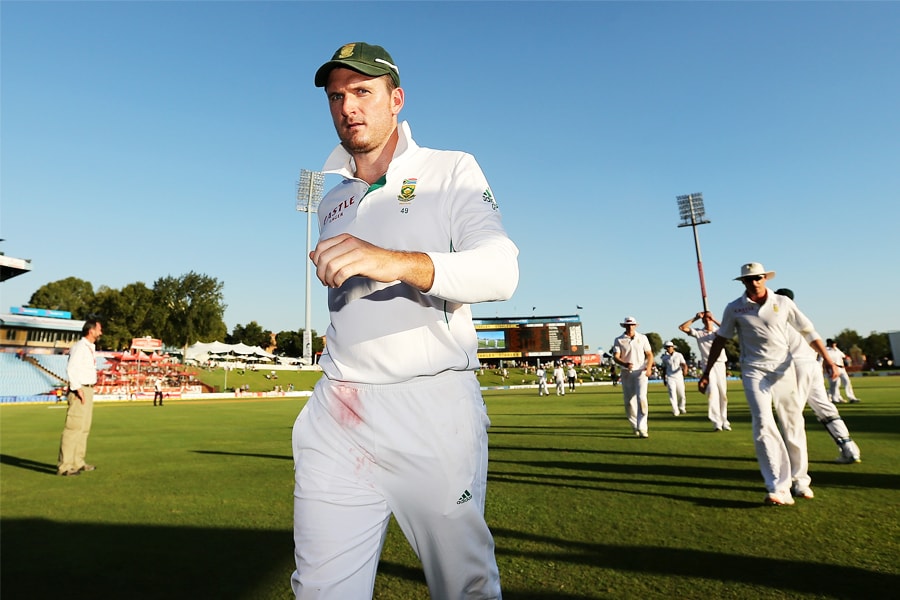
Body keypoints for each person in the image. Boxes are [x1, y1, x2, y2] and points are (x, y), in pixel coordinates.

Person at [290, 42, 518, 600]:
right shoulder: (330, 197)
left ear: (396, 99)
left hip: (430, 404)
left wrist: (391, 262)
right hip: (339, 406)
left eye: (363, 92)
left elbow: (500, 271)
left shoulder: (450, 168)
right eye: (337, 96)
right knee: (320, 589)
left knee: (462, 586)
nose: (348, 107)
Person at [699, 263, 841, 506]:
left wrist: (829, 360)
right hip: (753, 370)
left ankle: (800, 480)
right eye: (749, 279)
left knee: (793, 422)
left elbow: (808, 331)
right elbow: (720, 340)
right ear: (742, 282)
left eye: (758, 278)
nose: (754, 282)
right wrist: (706, 372)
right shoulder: (735, 308)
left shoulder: (783, 302)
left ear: (765, 278)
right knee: (763, 422)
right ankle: (777, 485)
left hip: (783, 369)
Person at [774, 289, 861, 464]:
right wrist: (828, 361)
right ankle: (849, 449)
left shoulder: (779, 319)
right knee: (825, 409)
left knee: (791, 414)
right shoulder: (802, 317)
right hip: (812, 366)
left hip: (794, 367)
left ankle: (791, 461)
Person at [57, 319, 102, 477]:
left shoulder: (89, 347)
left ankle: (78, 462)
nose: (101, 332)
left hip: (88, 388)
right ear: (91, 331)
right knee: (73, 428)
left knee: (84, 428)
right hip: (80, 389)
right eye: (99, 329)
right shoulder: (80, 347)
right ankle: (65, 466)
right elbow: (71, 368)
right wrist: (77, 389)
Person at [679, 311, 731, 431]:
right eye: (706, 319)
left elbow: (728, 328)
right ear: (703, 321)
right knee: (712, 392)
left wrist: (714, 319)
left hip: (720, 364)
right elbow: (682, 328)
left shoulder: (719, 332)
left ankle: (724, 420)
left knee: (723, 393)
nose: (708, 320)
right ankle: (716, 422)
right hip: (707, 365)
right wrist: (696, 318)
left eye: (709, 318)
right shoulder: (699, 332)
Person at [611, 316, 654, 438]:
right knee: (629, 402)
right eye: (628, 325)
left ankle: (643, 427)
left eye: (632, 324)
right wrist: (624, 363)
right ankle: (635, 425)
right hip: (626, 372)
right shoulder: (619, 340)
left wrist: (649, 367)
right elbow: (616, 356)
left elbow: (649, 354)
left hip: (641, 371)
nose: (630, 327)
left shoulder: (642, 338)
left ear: (635, 325)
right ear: (624, 326)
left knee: (642, 398)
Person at [826, 339, 861, 403]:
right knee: (835, 384)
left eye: (835, 343)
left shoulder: (837, 349)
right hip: (832, 368)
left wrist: (847, 358)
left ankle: (851, 397)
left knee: (847, 382)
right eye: (833, 343)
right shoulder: (826, 350)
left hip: (841, 368)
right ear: (829, 343)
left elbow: (843, 356)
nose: (834, 344)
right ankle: (834, 398)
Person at [661, 341, 688, 416]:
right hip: (670, 378)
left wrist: (685, 369)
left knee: (682, 394)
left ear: (673, 347)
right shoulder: (664, 357)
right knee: (672, 394)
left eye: (670, 347)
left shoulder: (679, 355)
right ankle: (675, 410)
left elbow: (683, 364)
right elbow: (664, 369)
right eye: (667, 347)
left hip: (679, 377)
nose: (669, 348)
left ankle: (682, 407)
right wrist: (664, 379)